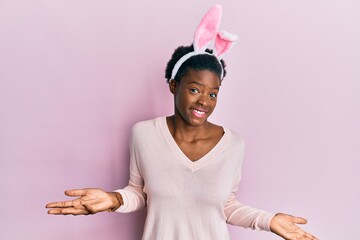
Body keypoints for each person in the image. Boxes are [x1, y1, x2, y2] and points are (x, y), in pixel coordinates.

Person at [45, 5, 319, 240]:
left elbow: (226, 206)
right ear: (174, 86)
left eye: (213, 93)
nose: (204, 101)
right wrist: (112, 200)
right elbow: (139, 194)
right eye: (195, 89)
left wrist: (269, 221)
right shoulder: (144, 134)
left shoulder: (234, 144)